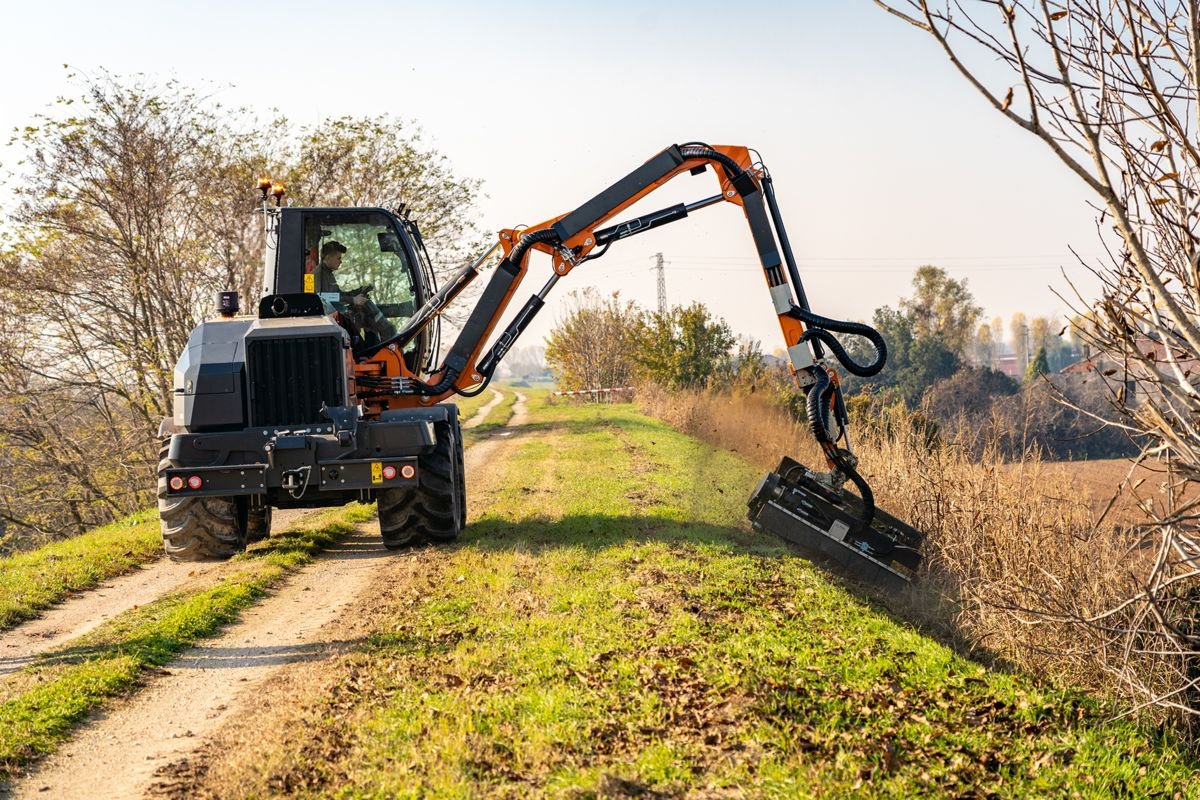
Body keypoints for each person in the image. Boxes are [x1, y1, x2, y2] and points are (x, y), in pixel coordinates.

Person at [314, 240, 396, 340]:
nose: (341, 262)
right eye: (338, 258)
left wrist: (357, 291)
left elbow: (338, 295)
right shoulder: (318, 274)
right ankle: (388, 332)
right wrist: (353, 300)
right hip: (330, 317)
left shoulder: (327, 273)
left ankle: (373, 346)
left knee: (365, 310)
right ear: (328, 258)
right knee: (366, 308)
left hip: (335, 313)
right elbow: (323, 296)